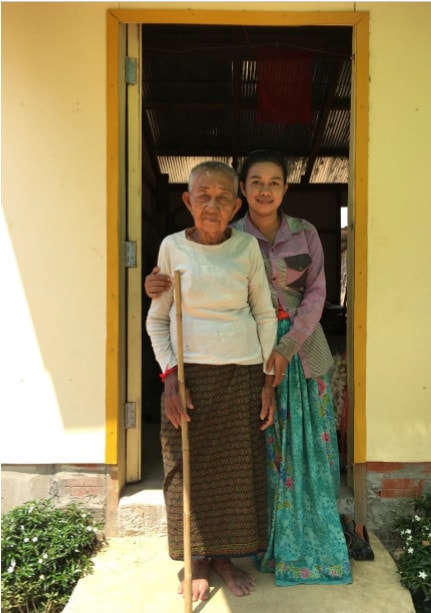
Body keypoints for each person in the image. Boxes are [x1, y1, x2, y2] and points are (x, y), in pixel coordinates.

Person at [146, 150, 352, 587]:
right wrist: (154, 285)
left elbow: (313, 294)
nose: (264, 190)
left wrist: (283, 350)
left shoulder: (299, 233)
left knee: (284, 456)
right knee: (245, 458)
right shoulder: (216, 236)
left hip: (288, 353)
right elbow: (167, 304)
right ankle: (219, 552)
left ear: (284, 189)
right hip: (228, 362)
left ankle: (293, 542)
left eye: (273, 182)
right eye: (255, 181)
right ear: (244, 190)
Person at [145, 161, 278, 602]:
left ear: (236, 205)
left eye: (224, 197)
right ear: (187, 201)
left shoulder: (245, 249)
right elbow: (157, 320)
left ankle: (225, 557)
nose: (213, 204)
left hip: (241, 373)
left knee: (236, 471)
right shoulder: (171, 248)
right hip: (188, 376)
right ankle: (195, 558)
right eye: (203, 195)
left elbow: (262, 313)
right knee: (185, 467)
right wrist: (169, 380)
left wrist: (265, 380)